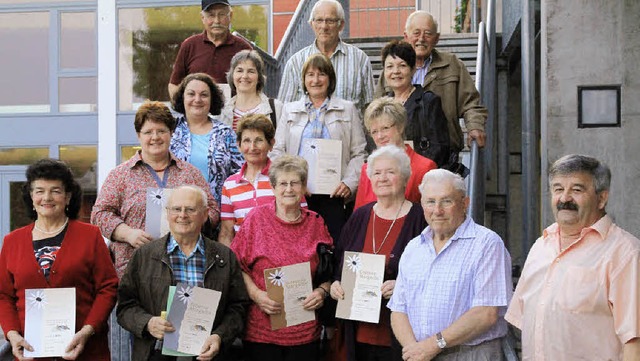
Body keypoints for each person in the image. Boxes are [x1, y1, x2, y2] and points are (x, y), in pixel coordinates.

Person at [91, 100, 218, 361]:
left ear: (171, 134)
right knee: (135, 347)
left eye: (161, 130)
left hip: (185, 273)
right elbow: (99, 213)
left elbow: (212, 209)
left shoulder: (190, 174)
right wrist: (127, 233)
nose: (155, 137)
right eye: (148, 132)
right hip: (135, 274)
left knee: (183, 350)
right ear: (139, 135)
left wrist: (190, 226)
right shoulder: (121, 175)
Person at [505, 154, 640, 361]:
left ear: (602, 198)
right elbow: (528, 323)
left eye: (577, 190)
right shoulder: (541, 246)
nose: (565, 198)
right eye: (558, 189)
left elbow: (634, 342)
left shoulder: (625, 253)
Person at [0, 159, 118, 361]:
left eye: (55, 191)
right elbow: (3, 295)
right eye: (39, 191)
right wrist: (12, 335)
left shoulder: (90, 235)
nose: (47, 197)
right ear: (31, 196)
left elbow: (107, 288)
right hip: (30, 352)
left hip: (85, 350)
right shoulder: (12, 241)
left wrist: (87, 330)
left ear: (68, 196)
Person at [388, 169, 512, 361]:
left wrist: (432, 345)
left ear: (465, 204)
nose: (437, 210)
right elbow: (398, 309)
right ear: (422, 204)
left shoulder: (486, 243)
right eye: (430, 201)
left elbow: (486, 313)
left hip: (471, 354)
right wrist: (415, 349)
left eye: (446, 201)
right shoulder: (414, 247)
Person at [117, 185, 250, 361]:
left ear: (204, 215)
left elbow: (238, 307)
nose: (182, 215)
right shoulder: (144, 256)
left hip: (208, 353)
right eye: (176, 209)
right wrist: (147, 323)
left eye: (190, 209)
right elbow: (125, 306)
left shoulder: (224, 257)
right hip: (157, 352)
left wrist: (219, 336)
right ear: (167, 213)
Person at [230, 155, 333, 361]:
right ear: (273, 187)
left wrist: (322, 292)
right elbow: (237, 266)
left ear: (303, 186)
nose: (288, 189)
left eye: (295, 183)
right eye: (283, 183)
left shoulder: (316, 223)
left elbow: (329, 271)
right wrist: (257, 295)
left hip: (305, 332)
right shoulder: (256, 219)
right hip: (261, 331)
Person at [330, 145, 428, 361]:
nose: (382, 178)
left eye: (390, 172)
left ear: (405, 177)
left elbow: (435, 273)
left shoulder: (421, 219)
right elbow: (340, 264)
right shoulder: (359, 217)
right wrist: (336, 284)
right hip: (358, 332)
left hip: (401, 336)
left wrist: (403, 287)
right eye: (377, 173)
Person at [272, 53, 367, 242]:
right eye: (310, 75)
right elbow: (277, 152)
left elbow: (359, 152)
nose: (316, 80)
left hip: (335, 194)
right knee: (298, 245)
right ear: (304, 80)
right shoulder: (289, 110)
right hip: (298, 194)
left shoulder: (347, 109)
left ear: (330, 79)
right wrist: (292, 182)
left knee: (333, 245)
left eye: (321, 74)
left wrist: (349, 183)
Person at [375, 11, 487, 158]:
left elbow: (471, 103)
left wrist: (474, 126)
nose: (421, 39)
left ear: (437, 38)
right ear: (406, 36)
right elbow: (377, 111)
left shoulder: (452, 64)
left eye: (428, 33)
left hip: (443, 151)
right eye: (416, 33)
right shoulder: (392, 71)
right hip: (400, 153)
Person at [278, 0, 374, 113]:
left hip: (348, 130)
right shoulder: (295, 63)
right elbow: (284, 110)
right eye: (319, 20)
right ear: (311, 24)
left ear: (341, 25)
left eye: (330, 21)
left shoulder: (360, 60)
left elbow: (370, 109)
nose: (324, 26)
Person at [170, 72, 244, 205]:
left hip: (217, 214)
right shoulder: (170, 131)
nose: (197, 99)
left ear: (212, 100)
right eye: (191, 94)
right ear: (182, 98)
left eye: (204, 95)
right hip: (176, 214)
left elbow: (239, 175)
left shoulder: (226, 134)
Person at [354, 98, 437, 210]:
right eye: (374, 131)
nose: (380, 136)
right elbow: (359, 216)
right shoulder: (367, 169)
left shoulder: (425, 167)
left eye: (385, 128)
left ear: (400, 127)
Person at [380, 40, 450, 167]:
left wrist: (418, 170)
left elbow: (439, 147)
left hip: (421, 175)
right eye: (390, 66)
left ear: (413, 70)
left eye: (402, 65)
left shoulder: (428, 102)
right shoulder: (382, 106)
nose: (396, 71)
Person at [168, 0, 252, 98]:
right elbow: (174, 84)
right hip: (196, 110)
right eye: (211, 15)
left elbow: (255, 86)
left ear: (231, 16)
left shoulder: (244, 49)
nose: (217, 21)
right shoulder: (189, 45)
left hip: (233, 112)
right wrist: (182, 108)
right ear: (202, 18)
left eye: (222, 14)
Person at [219, 50, 283, 131]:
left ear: (259, 77)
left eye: (251, 71)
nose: (245, 76)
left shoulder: (276, 108)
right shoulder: (222, 111)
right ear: (232, 75)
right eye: (240, 71)